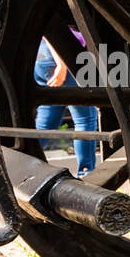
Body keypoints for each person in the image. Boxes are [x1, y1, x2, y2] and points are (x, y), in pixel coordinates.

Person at [33, 36, 98, 177]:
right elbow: (52, 31)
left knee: (46, 123)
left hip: (41, 56)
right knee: (85, 119)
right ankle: (86, 173)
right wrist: (61, 64)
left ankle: (24, 166)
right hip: (61, 55)